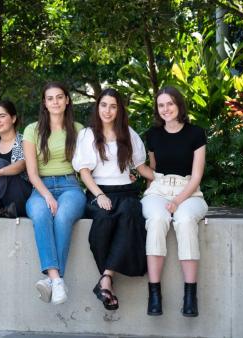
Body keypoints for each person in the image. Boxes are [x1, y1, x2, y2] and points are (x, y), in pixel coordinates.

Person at [72, 88, 154, 310]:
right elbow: (84, 172)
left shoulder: (129, 133)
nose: (107, 111)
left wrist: (164, 179)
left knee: (130, 213)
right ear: (97, 107)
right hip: (98, 191)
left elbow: (141, 167)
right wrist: (99, 195)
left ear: (119, 110)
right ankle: (107, 280)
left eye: (113, 106)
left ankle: (106, 278)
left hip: (126, 191)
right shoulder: (88, 134)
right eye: (104, 105)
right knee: (104, 219)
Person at [141, 86, 208, 317]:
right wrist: (136, 172)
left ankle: (190, 297)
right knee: (158, 219)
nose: (166, 109)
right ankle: (154, 295)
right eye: (161, 105)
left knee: (186, 219)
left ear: (179, 105)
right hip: (158, 190)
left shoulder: (196, 134)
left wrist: (178, 200)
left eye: (170, 103)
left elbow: (197, 175)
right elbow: (154, 170)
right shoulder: (153, 135)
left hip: (189, 191)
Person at [23, 82, 86, 305]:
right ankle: (57, 280)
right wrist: (47, 195)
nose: (55, 102)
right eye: (50, 98)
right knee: (40, 214)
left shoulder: (78, 129)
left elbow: (87, 166)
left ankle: (52, 280)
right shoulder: (32, 130)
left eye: (60, 97)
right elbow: (32, 172)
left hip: (70, 186)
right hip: (40, 187)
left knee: (62, 216)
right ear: (45, 103)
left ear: (67, 100)